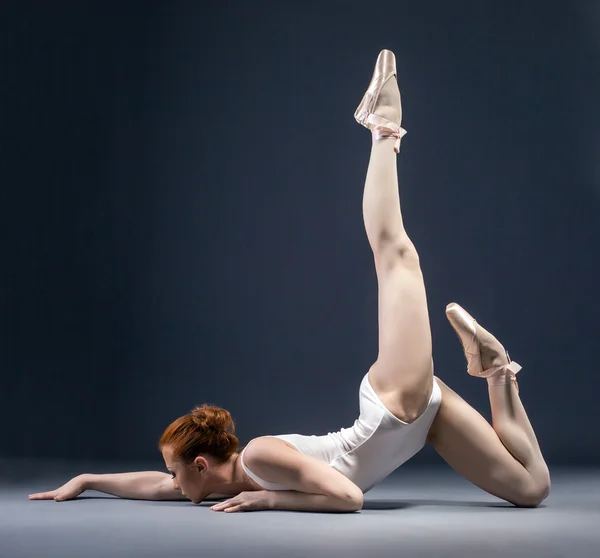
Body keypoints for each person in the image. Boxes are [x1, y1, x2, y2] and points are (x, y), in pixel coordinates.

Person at [29, 50, 550, 513]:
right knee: (532, 489)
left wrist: (269, 499)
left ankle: (382, 129)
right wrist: (87, 480)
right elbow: (150, 486)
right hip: (421, 423)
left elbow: (349, 497)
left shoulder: (258, 456)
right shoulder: (210, 485)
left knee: (397, 257)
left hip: (394, 409)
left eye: (175, 470)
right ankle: (498, 371)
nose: (170, 480)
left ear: (203, 464)